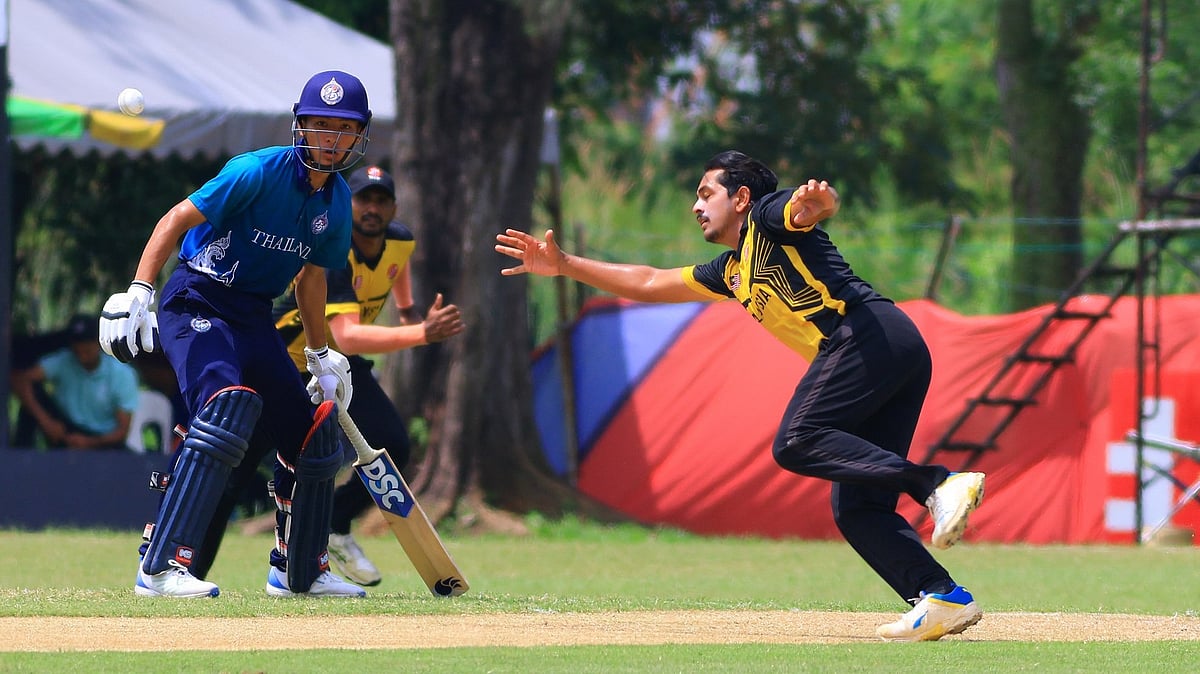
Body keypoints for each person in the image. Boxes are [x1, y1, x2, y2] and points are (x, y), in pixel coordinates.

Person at [495, 150, 987, 642]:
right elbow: (649, 281)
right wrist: (564, 264)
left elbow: (799, 210)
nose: (696, 205)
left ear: (742, 198)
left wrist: (815, 205)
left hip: (867, 335)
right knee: (858, 507)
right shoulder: (731, 271)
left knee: (797, 439)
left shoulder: (767, 220)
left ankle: (935, 482)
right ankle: (940, 596)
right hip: (888, 352)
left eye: (706, 193)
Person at [100, 70, 373, 599]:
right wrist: (138, 290)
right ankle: (160, 566)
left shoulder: (337, 201)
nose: (331, 139)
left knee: (314, 437)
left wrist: (320, 353)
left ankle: (298, 570)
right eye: (321, 125)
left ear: (359, 135)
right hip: (196, 297)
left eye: (343, 128)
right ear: (302, 127)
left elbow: (311, 277)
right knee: (224, 406)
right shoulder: (256, 170)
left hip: (252, 314)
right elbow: (177, 218)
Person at [275, 165, 465, 585]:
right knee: (285, 457)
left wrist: (408, 308)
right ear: (349, 204)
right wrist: (421, 332)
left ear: (394, 208)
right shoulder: (336, 250)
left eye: (381, 200)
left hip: (341, 360)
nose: (372, 209)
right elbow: (348, 335)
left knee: (392, 443)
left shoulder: (400, 239)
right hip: (293, 356)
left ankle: (335, 525)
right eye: (364, 199)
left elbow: (398, 269)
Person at [11, 314, 140, 450]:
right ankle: (21, 454)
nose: (81, 348)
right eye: (77, 342)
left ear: (98, 343)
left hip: (103, 441)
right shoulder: (64, 360)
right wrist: (46, 421)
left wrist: (89, 442)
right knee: (32, 394)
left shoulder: (122, 374)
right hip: (66, 432)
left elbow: (122, 431)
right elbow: (20, 379)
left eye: (87, 342)